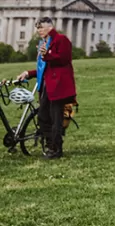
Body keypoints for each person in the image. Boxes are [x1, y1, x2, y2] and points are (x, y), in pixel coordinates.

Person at [14, 17, 76, 159]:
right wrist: (28, 73)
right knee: (42, 117)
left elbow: (63, 59)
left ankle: (56, 150)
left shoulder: (61, 40)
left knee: (56, 119)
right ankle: (50, 144)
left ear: (49, 27)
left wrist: (46, 54)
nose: (39, 30)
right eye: (37, 28)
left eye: (41, 27)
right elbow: (44, 68)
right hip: (47, 86)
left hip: (58, 87)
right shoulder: (43, 42)